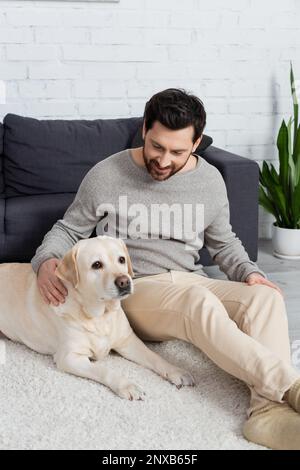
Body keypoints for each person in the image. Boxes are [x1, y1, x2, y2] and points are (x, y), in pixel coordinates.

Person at [31, 88, 300, 450]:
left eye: (177, 151)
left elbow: (225, 243)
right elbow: (69, 229)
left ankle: (268, 414)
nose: (163, 159)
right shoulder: (107, 174)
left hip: (190, 280)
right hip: (138, 290)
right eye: (157, 146)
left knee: (264, 299)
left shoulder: (209, 181)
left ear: (197, 142)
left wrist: (250, 274)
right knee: (197, 300)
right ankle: (291, 387)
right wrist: (45, 260)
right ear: (145, 129)